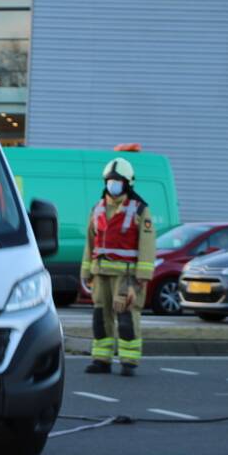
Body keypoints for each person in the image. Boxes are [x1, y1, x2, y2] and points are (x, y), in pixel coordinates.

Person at [79, 157, 156, 377]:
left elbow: (147, 245)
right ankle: (101, 359)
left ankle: (128, 360)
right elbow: (90, 243)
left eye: (118, 180)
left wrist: (142, 276)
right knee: (100, 317)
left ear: (127, 183)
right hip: (100, 274)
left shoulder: (140, 210)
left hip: (126, 277)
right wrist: (86, 272)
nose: (113, 184)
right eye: (110, 180)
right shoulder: (97, 209)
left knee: (126, 318)